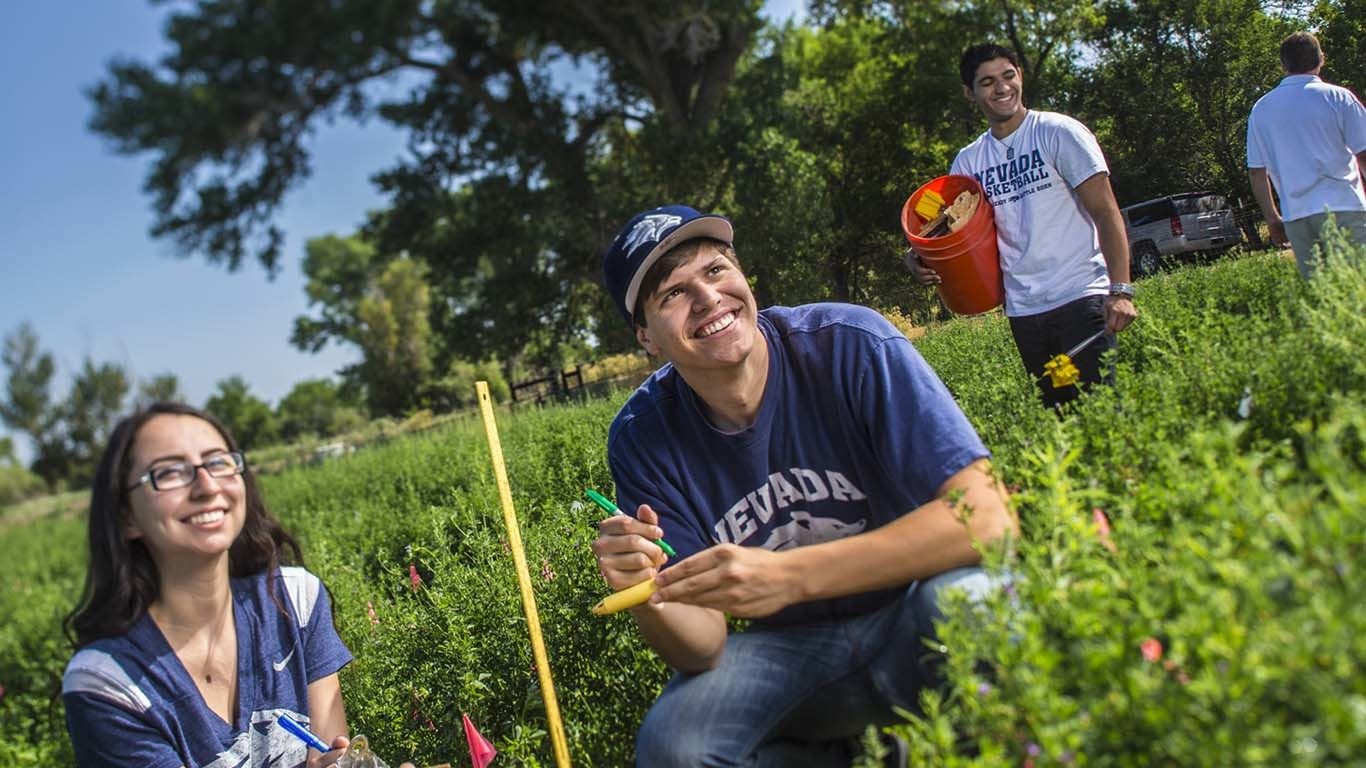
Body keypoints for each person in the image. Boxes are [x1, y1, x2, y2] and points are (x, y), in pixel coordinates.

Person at [592, 205, 1018, 767]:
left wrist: (790, 577)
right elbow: (704, 644)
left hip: (912, 616)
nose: (707, 299)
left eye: (716, 270)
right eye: (672, 293)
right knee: (676, 742)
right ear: (647, 338)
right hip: (793, 661)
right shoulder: (643, 437)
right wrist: (647, 591)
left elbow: (988, 519)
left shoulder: (849, 344)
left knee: (984, 606)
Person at [61, 402, 362, 768]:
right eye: (169, 472)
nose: (206, 486)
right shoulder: (110, 684)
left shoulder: (294, 602)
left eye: (218, 462)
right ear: (127, 517)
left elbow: (332, 755)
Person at [906, 44, 1137, 409]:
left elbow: (1106, 212)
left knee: (1102, 415)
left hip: (1080, 297)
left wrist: (1121, 290)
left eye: (1008, 76)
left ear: (1020, 76)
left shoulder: (1059, 132)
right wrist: (918, 256)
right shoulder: (968, 162)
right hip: (1025, 312)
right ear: (970, 93)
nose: (1001, 88)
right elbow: (954, 234)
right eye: (987, 82)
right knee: (1061, 421)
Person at [1246, 31, 1366, 277]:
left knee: (1323, 298)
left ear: (1283, 65)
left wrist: (1273, 219)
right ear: (1321, 58)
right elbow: (1363, 154)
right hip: (1343, 206)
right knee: (1358, 286)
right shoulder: (1339, 97)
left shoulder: (1261, 109)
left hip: (1298, 217)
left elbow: (1257, 172)